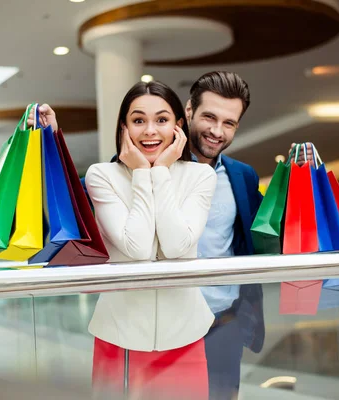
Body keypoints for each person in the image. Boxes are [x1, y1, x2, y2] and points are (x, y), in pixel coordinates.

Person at [29, 81, 217, 400]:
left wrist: (160, 173)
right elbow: (138, 249)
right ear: (124, 127)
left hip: (186, 336)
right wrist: (142, 173)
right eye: (138, 120)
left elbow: (177, 246)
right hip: (119, 338)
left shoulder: (201, 176)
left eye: (161, 119)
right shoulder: (102, 175)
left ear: (178, 126)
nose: (150, 131)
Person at [184, 71, 313, 400]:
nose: (217, 131)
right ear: (188, 111)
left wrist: (299, 179)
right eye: (209, 117)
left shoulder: (242, 176)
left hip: (224, 326)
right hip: (172, 327)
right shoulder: (156, 166)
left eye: (229, 123)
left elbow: (269, 234)